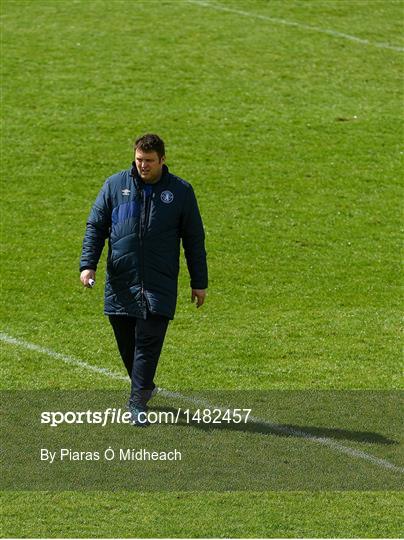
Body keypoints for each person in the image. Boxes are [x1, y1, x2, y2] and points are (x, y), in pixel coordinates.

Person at [80, 134, 208, 426]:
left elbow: (194, 240)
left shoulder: (180, 192)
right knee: (127, 342)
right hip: (121, 281)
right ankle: (145, 386)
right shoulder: (115, 185)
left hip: (158, 282)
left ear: (162, 160)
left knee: (148, 342)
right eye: (139, 160)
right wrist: (88, 265)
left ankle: (137, 401)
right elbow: (95, 226)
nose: (143, 166)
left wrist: (199, 281)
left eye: (149, 161)